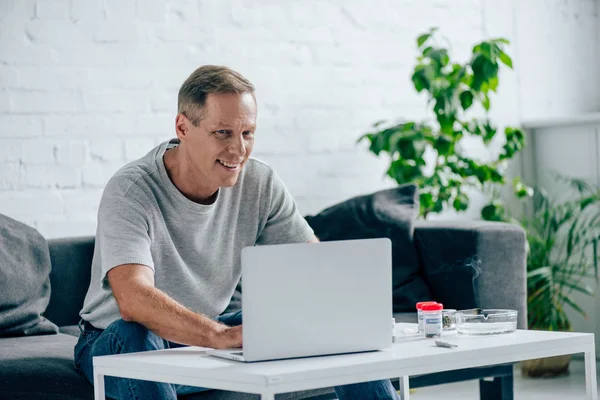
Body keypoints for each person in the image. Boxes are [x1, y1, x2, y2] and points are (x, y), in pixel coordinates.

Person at [74, 65, 400, 400]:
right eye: (223, 133)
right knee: (137, 337)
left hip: (204, 333)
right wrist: (217, 336)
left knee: (323, 314)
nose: (239, 150)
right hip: (112, 342)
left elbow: (314, 268)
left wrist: (358, 317)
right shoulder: (132, 190)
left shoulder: (259, 183)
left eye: (248, 133)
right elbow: (133, 299)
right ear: (183, 127)